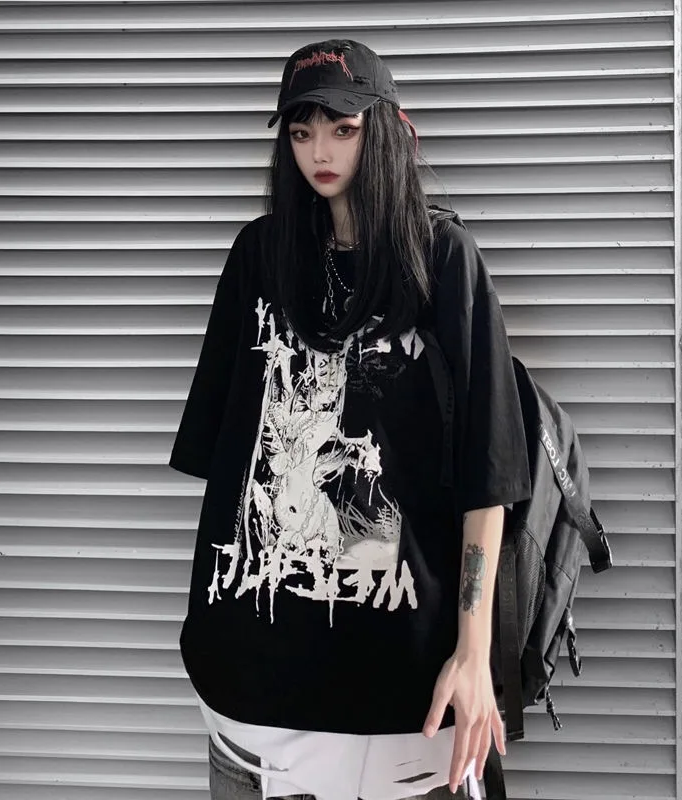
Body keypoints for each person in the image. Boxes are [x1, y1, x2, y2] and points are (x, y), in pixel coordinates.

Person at [168, 38, 531, 800]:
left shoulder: (442, 261)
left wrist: (474, 654)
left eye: (343, 129)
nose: (320, 153)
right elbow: (229, 461)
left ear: (386, 131)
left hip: (408, 701)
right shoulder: (258, 258)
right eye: (302, 133)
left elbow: (490, 473)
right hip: (254, 694)